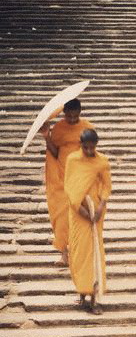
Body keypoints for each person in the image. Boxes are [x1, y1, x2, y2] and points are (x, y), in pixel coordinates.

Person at [39, 98, 93, 266]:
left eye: (74, 117)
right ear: (64, 114)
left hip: (79, 177)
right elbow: (54, 153)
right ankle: (64, 253)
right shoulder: (59, 128)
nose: (71, 120)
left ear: (80, 113)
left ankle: (81, 253)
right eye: (68, 116)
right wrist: (47, 136)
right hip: (61, 176)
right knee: (62, 216)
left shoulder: (87, 128)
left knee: (80, 216)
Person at [64, 128, 111, 315]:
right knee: (78, 252)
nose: (90, 151)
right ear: (80, 145)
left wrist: (100, 207)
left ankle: (94, 299)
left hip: (95, 211)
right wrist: (81, 209)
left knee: (94, 253)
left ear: (96, 145)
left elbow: (107, 186)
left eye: (92, 148)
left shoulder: (102, 161)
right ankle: (82, 292)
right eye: (86, 148)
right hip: (77, 212)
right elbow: (68, 187)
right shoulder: (72, 160)